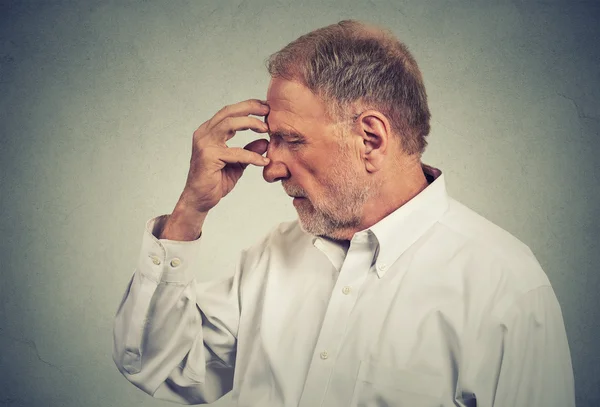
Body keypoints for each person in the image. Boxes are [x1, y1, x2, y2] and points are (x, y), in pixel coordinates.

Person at [113, 20, 575, 406]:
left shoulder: (505, 288)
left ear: (371, 139)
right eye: (271, 140)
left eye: (291, 140)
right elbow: (158, 363)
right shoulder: (273, 255)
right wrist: (189, 211)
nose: (269, 168)